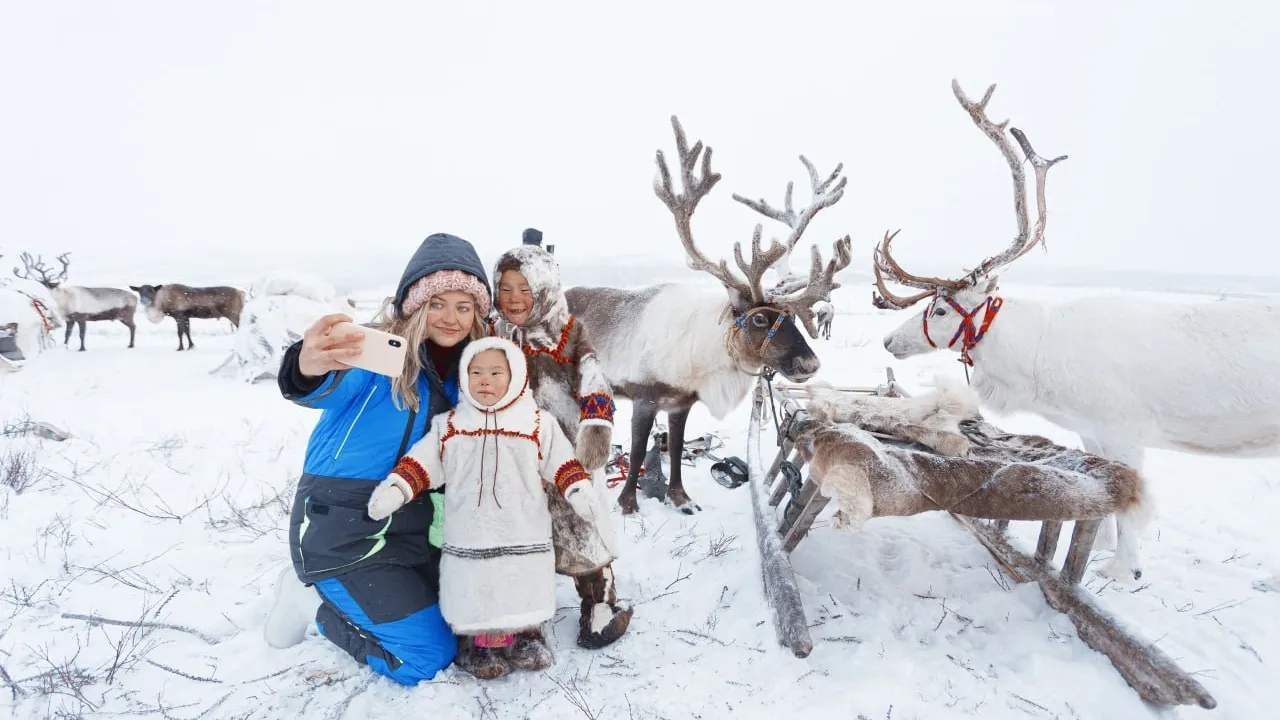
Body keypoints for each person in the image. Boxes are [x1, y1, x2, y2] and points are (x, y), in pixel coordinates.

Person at [261, 232, 492, 686]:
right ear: (414, 305)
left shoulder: (472, 372)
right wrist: (308, 362)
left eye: (463, 307)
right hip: (344, 528)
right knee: (427, 657)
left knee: (466, 623)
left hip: (415, 530)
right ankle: (309, 603)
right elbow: (318, 385)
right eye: (437, 303)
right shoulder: (377, 357)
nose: (450, 318)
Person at [366, 336, 610, 679]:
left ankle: (527, 634)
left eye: (497, 372)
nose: (485, 380)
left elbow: (563, 464)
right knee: (476, 588)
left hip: (524, 530)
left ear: (516, 377)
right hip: (470, 533)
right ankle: (479, 643)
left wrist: (579, 490)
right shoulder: (450, 426)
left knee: (521, 583)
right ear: (465, 377)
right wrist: (396, 488)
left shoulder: (537, 423)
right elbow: (422, 463)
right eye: (476, 372)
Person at [490, 231, 633, 648]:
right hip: (515, 452)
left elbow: (594, 381)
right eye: (505, 288)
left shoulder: (569, 332)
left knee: (581, 524)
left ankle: (599, 599)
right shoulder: (495, 333)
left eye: (525, 288)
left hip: (568, 452)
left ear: (546, 289)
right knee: (525, 529)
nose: (515, 298)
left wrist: (595, 428)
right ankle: (526, 608)